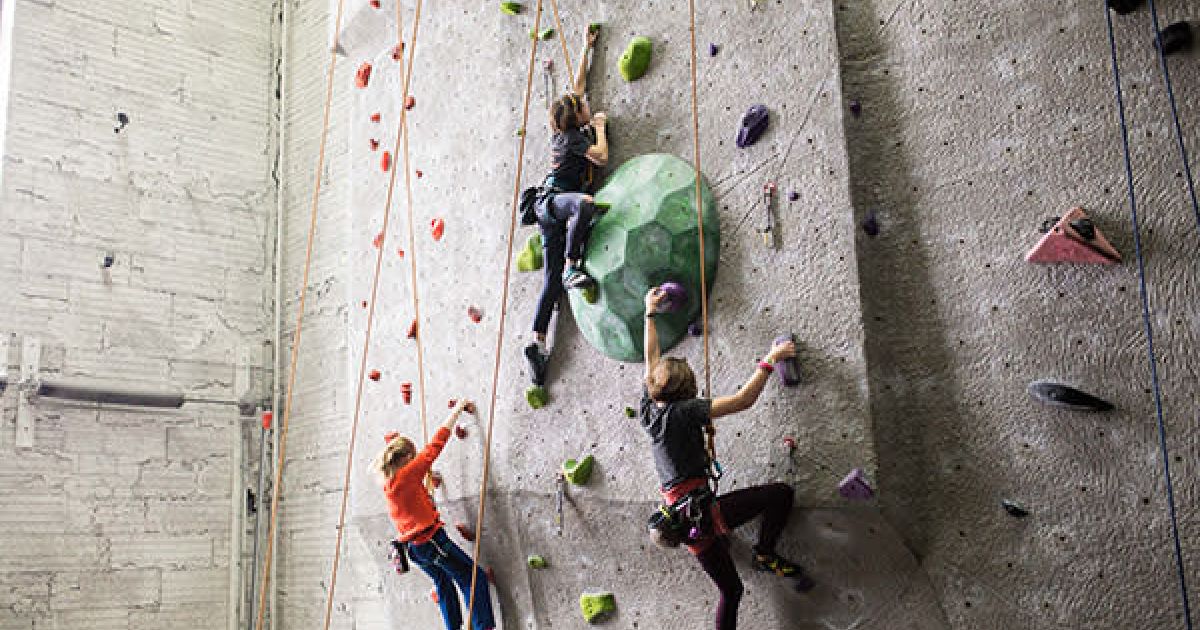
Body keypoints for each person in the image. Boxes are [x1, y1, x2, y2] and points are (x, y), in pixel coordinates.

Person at [639, 287, 810, 630]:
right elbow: (743, 401)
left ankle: (751, 552)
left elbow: (651, 360)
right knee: (781, 494)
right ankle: (764, 553)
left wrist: (649, 313)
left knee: (731, 592)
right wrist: (771, 359)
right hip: (702, 515)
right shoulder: (686, 411)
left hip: (685, 519)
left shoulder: (649, 411)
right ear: (687, 391)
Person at [524, 25, 609, 389]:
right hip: (555, 202)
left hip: (548, 208)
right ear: (578, 120)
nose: (588, 105)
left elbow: (577, 85)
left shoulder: (562, 123)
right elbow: (602, 158)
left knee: (549, 284)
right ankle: (573, 267)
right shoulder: (575, 139)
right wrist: (601, 126)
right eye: (586, 109)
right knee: (584, 206)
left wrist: (586, 48)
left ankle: (536, 343)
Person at [375, 399, 495, 630]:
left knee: (444, 583)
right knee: (473, 578)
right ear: (406, 458)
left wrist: (427, 491)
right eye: (413, 455)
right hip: (431, 542)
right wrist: (458, 409)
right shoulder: (407, 474)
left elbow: (413, 505)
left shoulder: (389, 484)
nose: (416, 458)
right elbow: (436, 445)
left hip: (415, 550)